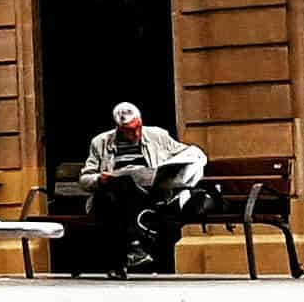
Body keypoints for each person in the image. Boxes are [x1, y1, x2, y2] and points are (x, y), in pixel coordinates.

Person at [79, 102, 208, 275]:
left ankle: (130, 251)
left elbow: (183, 152)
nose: (136, 133)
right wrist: (99, 179)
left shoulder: (158, 136)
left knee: (117, 199)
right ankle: (133, 247)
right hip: (114, 196)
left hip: (150, 195)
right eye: (129, 130)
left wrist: (189, 160)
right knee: (117, 189)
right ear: (119, 128)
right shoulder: (101, 142)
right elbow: (85, 179)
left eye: (138, 127)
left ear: (141, 121)